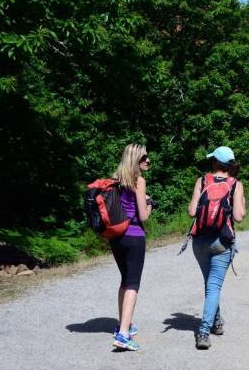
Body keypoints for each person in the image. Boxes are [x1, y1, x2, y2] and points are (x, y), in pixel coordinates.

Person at [187, 146, 246, 350]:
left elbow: (192, 211)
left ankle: (217, 322)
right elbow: (238, 216)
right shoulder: (235, 184)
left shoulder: (202, 181)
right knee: (214, 287)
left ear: (214, 162)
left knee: (210, 285)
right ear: (229, 165)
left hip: (199, 241)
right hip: (222, 242)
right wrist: (242, 204)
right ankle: (204, 332)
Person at [110, 143, 152, 351]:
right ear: (135, 159)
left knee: (125, 281)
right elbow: (143, 215)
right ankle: (124, 335)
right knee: (133, 284)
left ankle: (122, 324)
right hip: (134, 235)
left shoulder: (115, 181)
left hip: (116, 237)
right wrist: (150, 203)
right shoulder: (139, 181)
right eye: (144, 158)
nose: (148, 161)